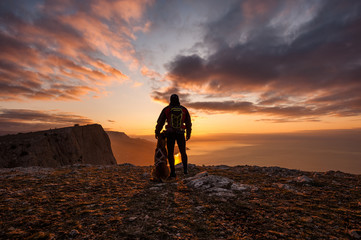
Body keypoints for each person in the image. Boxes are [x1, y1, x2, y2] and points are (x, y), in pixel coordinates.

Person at [155, 94, 192, 178]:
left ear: (170, 100)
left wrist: (157, 132)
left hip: (170, 133)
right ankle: (185, 170)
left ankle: (172, 172)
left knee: (170, 153)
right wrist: (188, 133)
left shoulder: (167, 109)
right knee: (183, 152)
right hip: (181, 133)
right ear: (178, 100)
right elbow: (188, 123)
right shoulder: (183, 109)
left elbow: (160, 122)